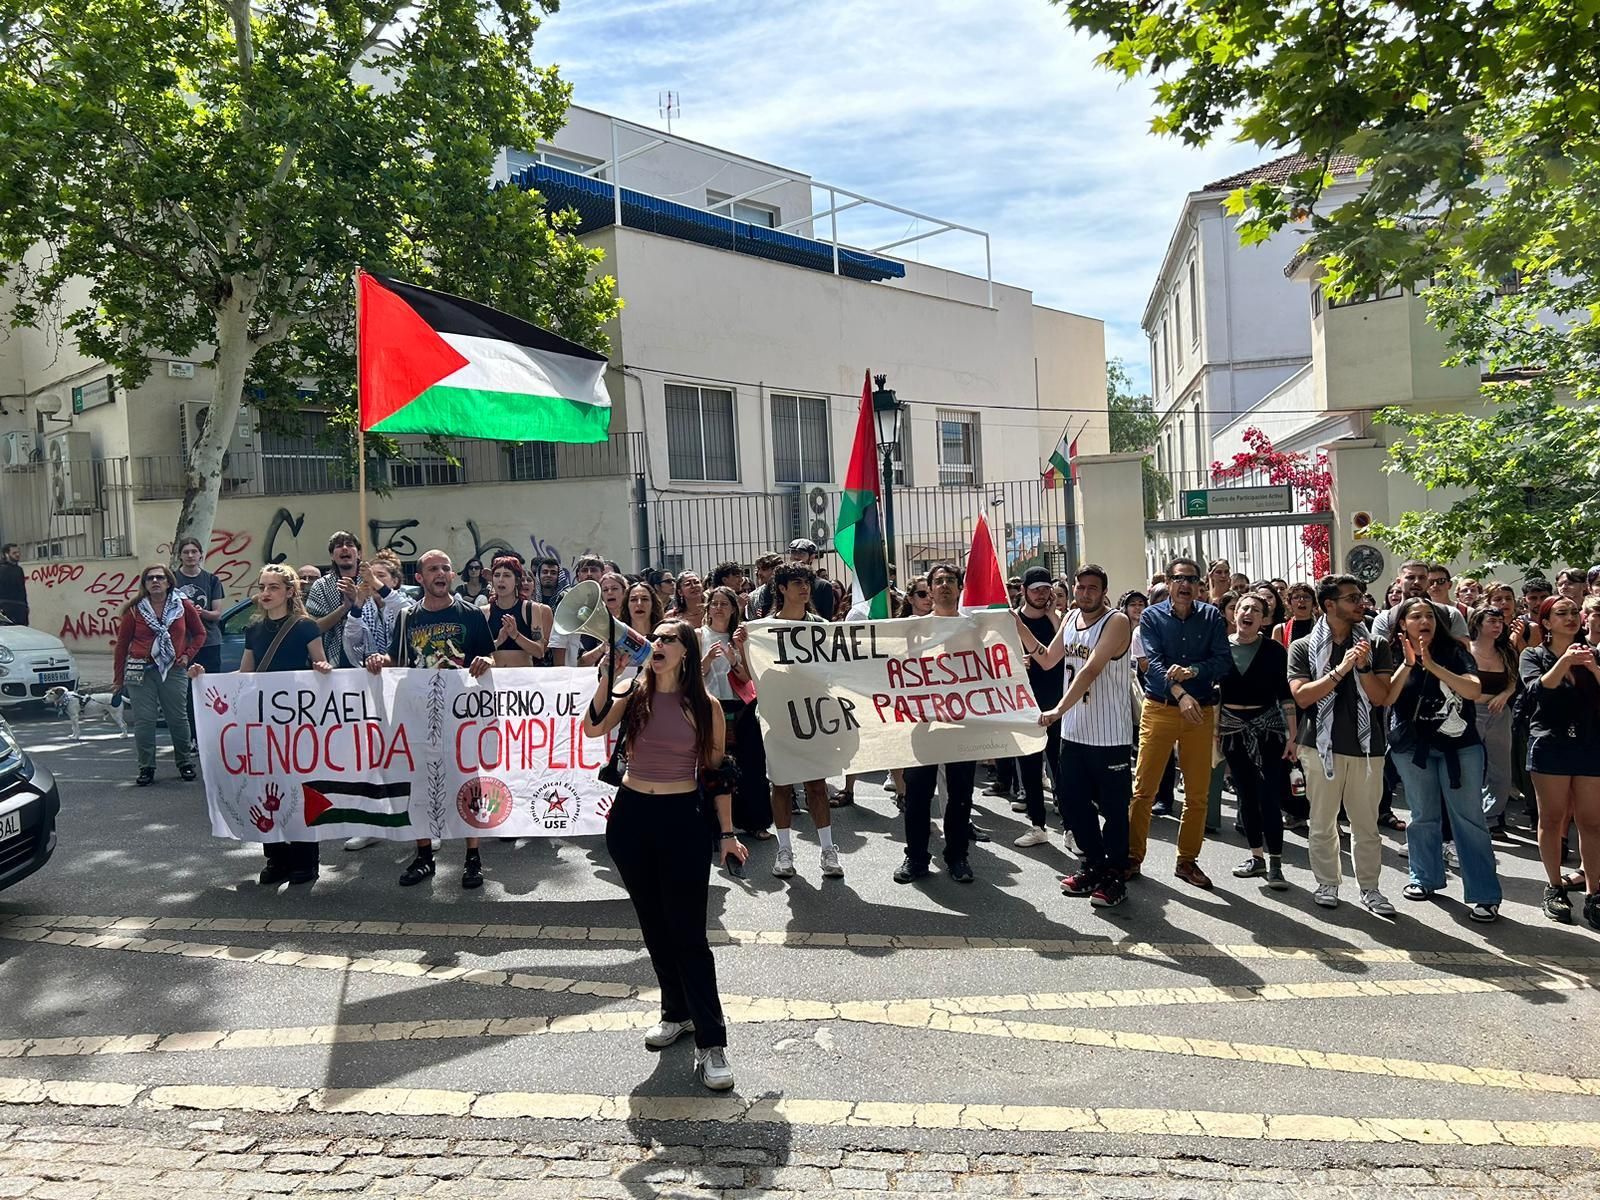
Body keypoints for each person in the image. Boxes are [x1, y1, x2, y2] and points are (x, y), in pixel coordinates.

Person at [581, 617, 742, 1091]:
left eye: (669, 639)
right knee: (653, 925)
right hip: (631, 819)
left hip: (682, 820)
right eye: (656, 639)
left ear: (686, 652)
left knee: (689, 933)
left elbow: (717, 775)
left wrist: (728, 834)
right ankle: (676, 1012)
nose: (659, 644)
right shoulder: (633, 692)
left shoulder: (704, 705)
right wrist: (607, 681)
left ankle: (712, 1042)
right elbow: (592, 729)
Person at [364, 550, 496, 889]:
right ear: (419, 578)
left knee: (468, 781)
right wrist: (381, 659)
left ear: (452, 576)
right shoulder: (408, 617)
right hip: (419, 712)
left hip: (460, 714)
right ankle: (424, 856)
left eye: (446, 568)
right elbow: (398, 657)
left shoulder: (471, 614)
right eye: (432, 568)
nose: (441, 572)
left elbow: (488, 654)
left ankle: (472, 859)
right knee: (418, 781)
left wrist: (485, 660)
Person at [1383, 597, 1499, 921]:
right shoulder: (1393, 654)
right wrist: (1410, 663)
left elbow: (1473, 691)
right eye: (1416, 616)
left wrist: (1432, 665)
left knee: (1469, 819)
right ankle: (1424, 878)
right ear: (1402, 624)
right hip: (1412, 748)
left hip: (1459, 747)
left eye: (1430, 616)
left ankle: (1485, 895)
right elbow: (1386, 698)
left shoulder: (1457, 652)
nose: (1424, 621)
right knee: (1422, 815)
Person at [1288, 574, 1396, 915]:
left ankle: (1370, 888)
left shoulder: (1376, 645)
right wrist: (1341, 669)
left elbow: (1381, 697)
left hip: (1366, 749)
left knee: (1366, 824)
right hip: (1319, 746)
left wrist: (1362, 667)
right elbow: (1303, 697)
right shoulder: (1302, 646)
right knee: (1322, 821)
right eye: (1352, 598)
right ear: (1329, 604)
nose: (1360, 603)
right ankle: (1327, 882)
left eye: (1362, 597)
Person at [1127, 557, 1231, 888]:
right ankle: (1132, 857)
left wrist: (1195, 672)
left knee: (1198, 794)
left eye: (1191, 579)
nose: (1184, 585)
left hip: (1200, 712)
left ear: (1200, 585)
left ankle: (1187, 861)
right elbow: (1153, 663)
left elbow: (1223, 660)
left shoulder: (1212, 616)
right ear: (1169, 583)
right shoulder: (1152, 616)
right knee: (1143, 789)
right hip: (1160, 708)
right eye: (1178, 578)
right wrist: (1179, 692)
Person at [231, 564, 333, 886]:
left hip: (296, 721)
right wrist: (204, 681)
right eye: (263, 586)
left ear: (290, 592)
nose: (265, 593)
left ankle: (305, 857)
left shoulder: (305, 627)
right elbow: (246, 674)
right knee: (266, 787)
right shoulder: (254, 630)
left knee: (300, 787)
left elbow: (318, 662)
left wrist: (322, 668)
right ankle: (276, 856)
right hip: (263, 722)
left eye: (273, 587)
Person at [1038, 565, 1134, 907]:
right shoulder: (1069, 619)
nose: (1085, 593)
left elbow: (1091, 669)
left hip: (1109, 736)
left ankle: (1115, 876)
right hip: (1075, 734)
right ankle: (1093, 865)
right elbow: (1049, 660)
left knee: (1114, 810)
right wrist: (1018, 627)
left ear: (1104, 591)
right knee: (1075, 805)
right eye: (1080, 587)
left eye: (1093, 587)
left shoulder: (1117, 621)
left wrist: (1057, 710)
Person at [893, 563, 980, 885]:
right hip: (923, 724)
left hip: (962, 723)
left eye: (950, 581)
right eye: (938, 581)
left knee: (959, 794)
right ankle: (916, 858)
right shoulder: (913, 629)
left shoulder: (974, 627)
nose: (944, 585)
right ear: (929, 590)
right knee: (917, 795)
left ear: (959, 588)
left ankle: (957, 856)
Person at [1520, 596, 1600, 927]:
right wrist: (1565, 662)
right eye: (1561, 613)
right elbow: (1538, 690)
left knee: (1592, 822)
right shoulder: (1533, 655)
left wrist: (1593, 667)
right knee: (1552, 820)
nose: (1570, 617)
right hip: (1550, 744)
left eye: (1573, 612)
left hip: (1589, 744)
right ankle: (1554, 888)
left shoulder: (1592, 654)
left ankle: (1595, 893)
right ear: (1546, 623)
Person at [765, 562, 843, 879]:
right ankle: (784, 851)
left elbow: (834, 671)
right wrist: (743, 647)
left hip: (813, 716)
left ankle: (828, 850)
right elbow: (754, 675)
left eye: (806, 582)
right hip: (778, 717)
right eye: (796, 582)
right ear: (781, 588)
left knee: (816, 785)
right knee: (781, 784)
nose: (804, 587)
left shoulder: (821, 626)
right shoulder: (763, 629)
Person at [1219, 593, 1296, 889]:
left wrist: (1292, 735)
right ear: (1234, 614)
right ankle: (1256, 857)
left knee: (1269, 797)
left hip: (1269, 730)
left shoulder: (1275, 650)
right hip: (1233, 731)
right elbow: (1217, 697)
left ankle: (1276, 863)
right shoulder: (1221, 650)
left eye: (1256, 609)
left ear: (1264, 618)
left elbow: (1285, 694)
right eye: (1243, 608)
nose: (1248, 613)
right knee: (1246, 796)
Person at [113, 563, 206, 787]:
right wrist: (118, 680)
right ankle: (146, 766)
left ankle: (184, 762)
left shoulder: (182, 606)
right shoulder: (134, 610)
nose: (155, 582)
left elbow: (200, 633)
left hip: (173, 669)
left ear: (168, 582)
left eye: (160, 578)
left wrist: (187, 655)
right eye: (150, 579)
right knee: (145, 721)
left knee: (178, 719)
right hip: (140, 670)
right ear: (144, 584)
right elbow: (122, 645)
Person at [701, 585, 767, 837]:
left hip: (741, 707)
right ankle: (713, 825)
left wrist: (734, 660)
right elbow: (691, 675)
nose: (718, 608)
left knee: (750, 765)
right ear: (708, 608)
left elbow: (750, 678)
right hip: (711, 707)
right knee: (714, 766)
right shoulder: (698, 635)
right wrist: (706, 660)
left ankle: (755, 822)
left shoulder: (740, 638)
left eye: (724, 604)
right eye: (714, 603)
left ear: (733, 610)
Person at [1009, 567, 1065, 848]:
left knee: (1061, 765)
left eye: (1046, 589)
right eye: (1036, 589)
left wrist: (1054, 614)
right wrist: (1017, 661)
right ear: (1024, 591)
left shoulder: (1059, 620)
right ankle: (1037, 825)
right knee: (1030, 768)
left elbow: (1063, 649)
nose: (1042, 594)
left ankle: (1070, 825)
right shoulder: (1011, 622)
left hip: (1056, 702)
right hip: (1024, 705)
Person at [1467, 605, 1519, 840]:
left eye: (1500, 622)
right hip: (1470, 712)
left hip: (1498, 713)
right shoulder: (1465, 649)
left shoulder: (1506, 650)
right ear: (1478, 623)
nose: (1498, 626)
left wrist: (1505, 695)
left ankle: (1493, 817)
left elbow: (1513, 680)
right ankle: (1470, 815)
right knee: (1472, 766)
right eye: (1492, 621)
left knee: (1500, 769)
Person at [173, 535, 226, 695]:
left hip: (209, 642)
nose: (190, 556)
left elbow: (217, 614)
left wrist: (200, 612)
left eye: (194, 552)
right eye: (186, 552)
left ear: (200, 555)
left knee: (210, 688)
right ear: (180, 556)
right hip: (182, 644)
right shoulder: (172, 580)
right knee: (185, 689)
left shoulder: (212, 580)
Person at [340, 550, 412, 668]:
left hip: (401, 670)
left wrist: (373, 580)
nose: (374, 580)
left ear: (395, 581)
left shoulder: (406, 602)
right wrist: (359, 601)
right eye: (370, 577)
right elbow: (351, 637)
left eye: (381, 576)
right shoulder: (364, 608)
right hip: (372, 670)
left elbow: (405, 612)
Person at [305, 531, 365, 669]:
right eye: (339, 546)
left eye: (350, 545)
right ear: (332, 556)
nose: (344, 548)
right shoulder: (321, 586)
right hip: (333, 658)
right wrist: (344, 607)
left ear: (359, 554)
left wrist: (358, 601)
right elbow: (314, 628)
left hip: (370, 657)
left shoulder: (371, 582)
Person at [484, 556, 552, 667]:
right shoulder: (484, 612)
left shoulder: (530, 609)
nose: (501, 579)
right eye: (497, 575)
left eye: (506, 575)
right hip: (495, 678)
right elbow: (478, 652)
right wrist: (498, 641)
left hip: (523, 680)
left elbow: (539, 652)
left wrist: (515, 635)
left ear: (516, 580)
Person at [1274, 582, 1317, 647]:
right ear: (1289, 603)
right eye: (1296, 597)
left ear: (1313, 603)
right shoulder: (1280, 630)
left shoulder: (1323, 627)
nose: (1302, 600)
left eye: (1306, 597)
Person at [0, 542, 26, 626]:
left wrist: (25, 605)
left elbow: (22, 589)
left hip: (20, 608)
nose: (18, 554)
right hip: (4, 608)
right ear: (6, 554)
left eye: (18, 552)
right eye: (14, 553)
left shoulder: (19, 569)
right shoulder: (1, 569)